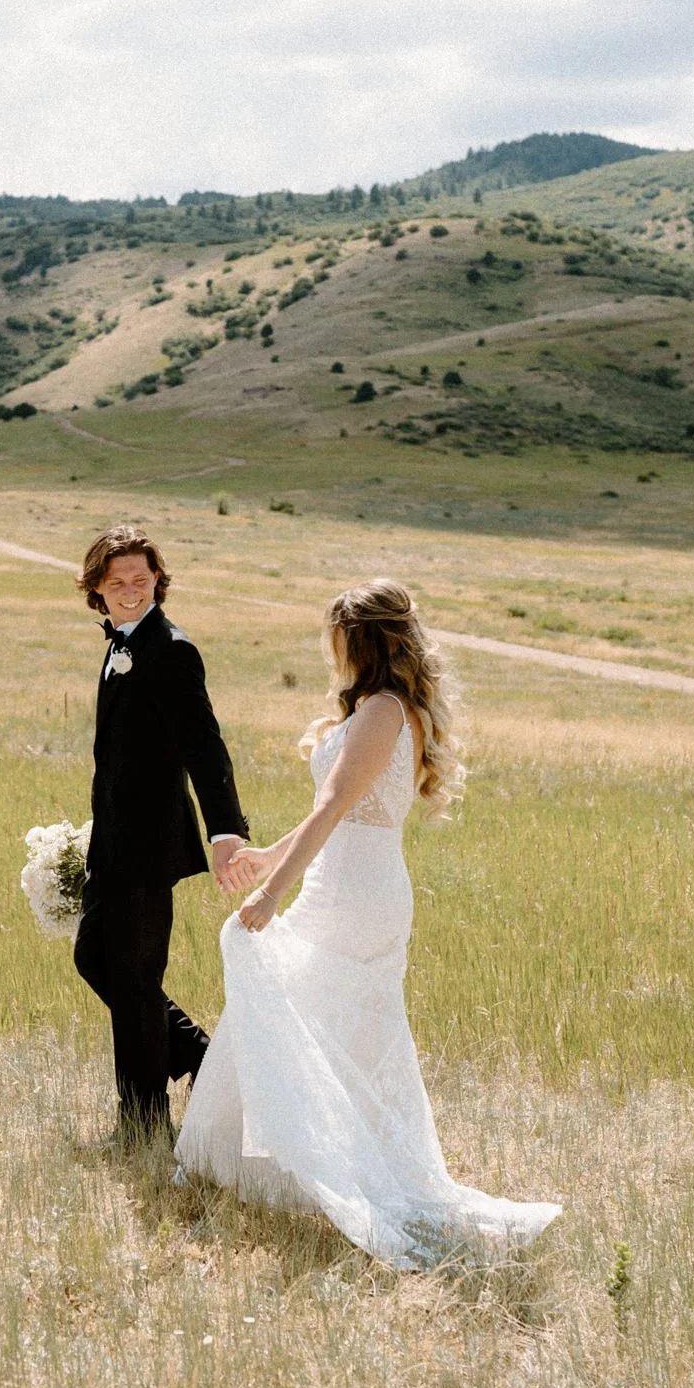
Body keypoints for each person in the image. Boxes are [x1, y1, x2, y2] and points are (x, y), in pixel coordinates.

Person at [177, 579, 560, 1268]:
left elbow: (332, 808)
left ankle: (306, 1168)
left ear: (359, 641)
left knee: (282, 994)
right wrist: (267, 858)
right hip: (360, 879)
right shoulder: (389, 710)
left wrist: (270, 895)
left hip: (352, 889)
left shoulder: (383, 711)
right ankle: (296, 1163)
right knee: (328, 1021)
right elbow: (341, 807)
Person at [72, 524, 250, 1141]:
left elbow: (205, 747)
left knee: (135, 978)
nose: (129, 590)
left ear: (157, 581)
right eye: (117, 581)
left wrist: (226, 830)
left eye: (140, 580)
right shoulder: (120, 643)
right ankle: (201, 1057)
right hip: (113, 840)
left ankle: (145, 1125)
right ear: (98, 587)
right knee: (95, 958)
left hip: (149, 846)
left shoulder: (172, 649)